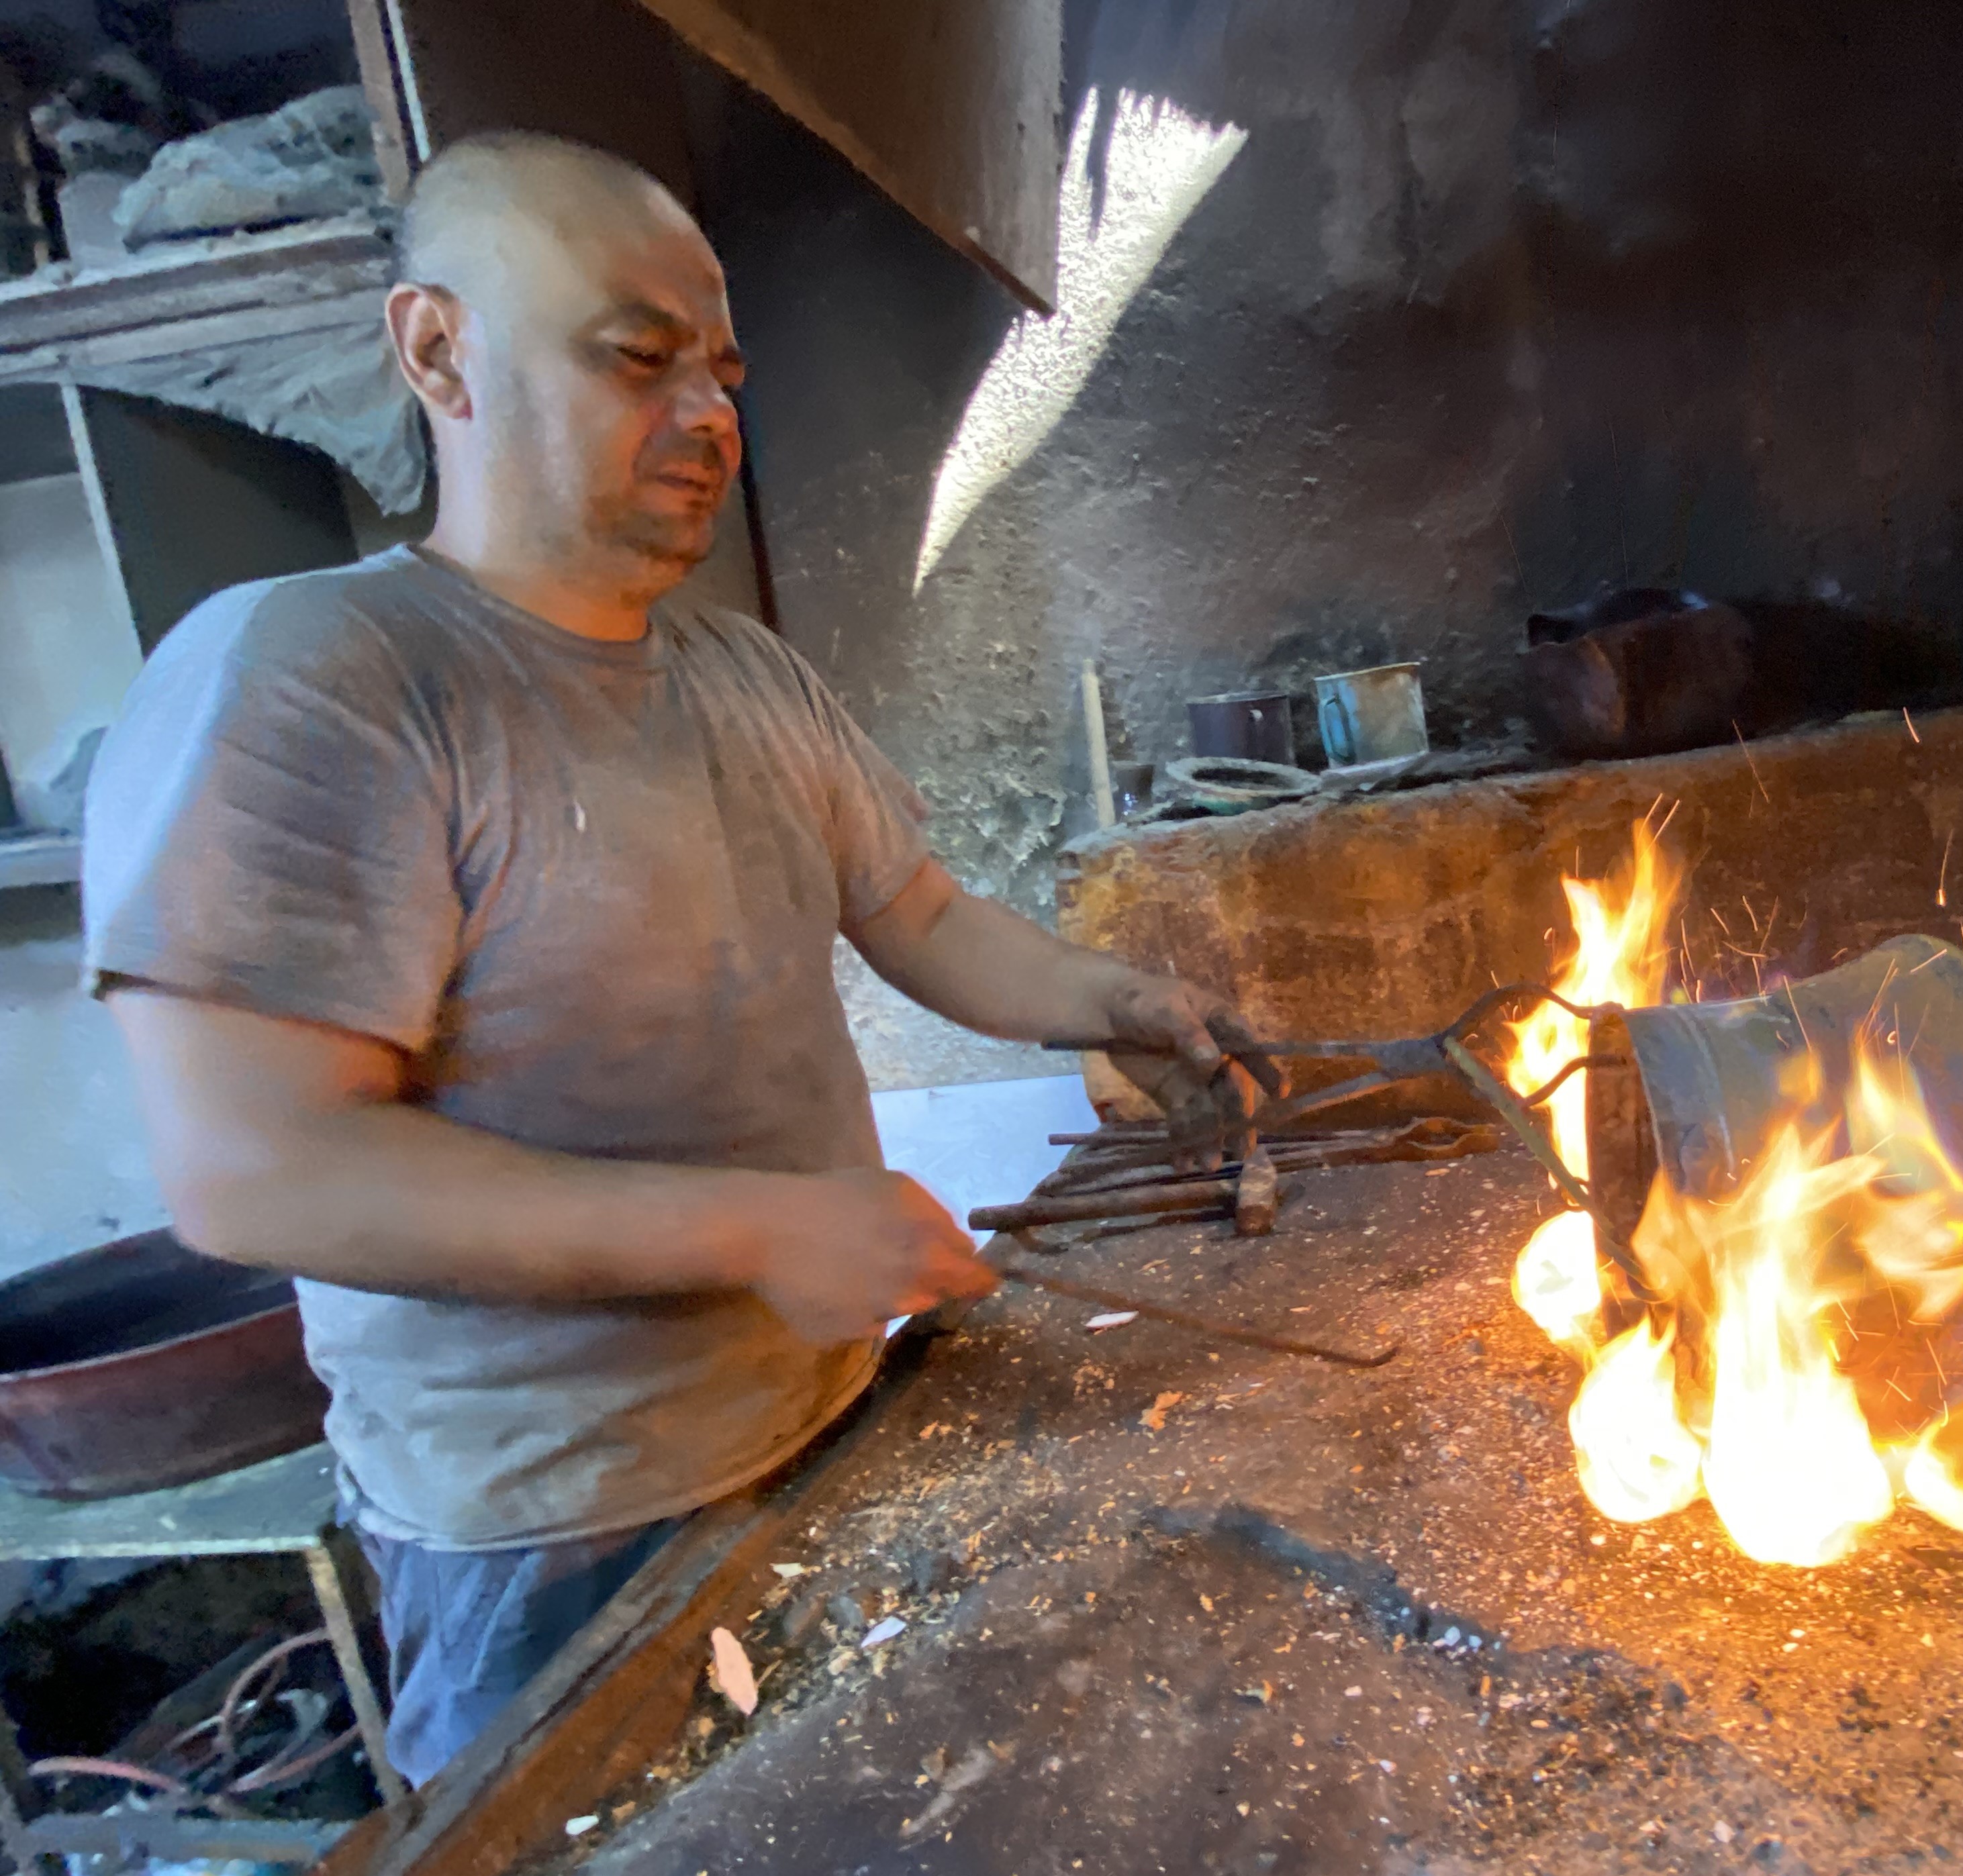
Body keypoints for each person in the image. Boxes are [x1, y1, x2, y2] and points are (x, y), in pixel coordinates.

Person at [81, 132, 1268, 1786]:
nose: (711, 415)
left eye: (722, 370)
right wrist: (757, 1225)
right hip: (555, 1546)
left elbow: (916, 912)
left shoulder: (739, 671)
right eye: (639, 360)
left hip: (831, 1427)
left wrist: (1109, 996)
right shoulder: (322, 678)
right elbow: (257, 1169)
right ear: (437, 351)